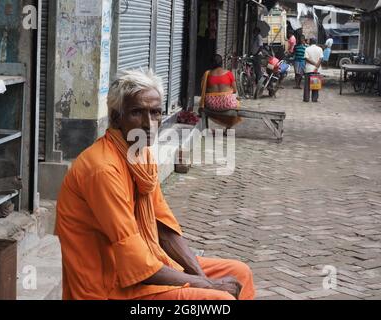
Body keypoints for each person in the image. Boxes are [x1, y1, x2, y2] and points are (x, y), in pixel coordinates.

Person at [55, 69, 256, 300]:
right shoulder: (102, 169)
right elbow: (136, 260)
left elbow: (164, 230)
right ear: (116, 117)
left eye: (155, 113)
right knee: (218, 300)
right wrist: (207, 286)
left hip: (145, 265)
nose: (148, 123)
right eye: (136, 113)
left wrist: (204, 280)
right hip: (109, 287)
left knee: (240, 273)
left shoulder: (142, 156)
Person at [199, 54, 242, 133]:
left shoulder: (207, 74)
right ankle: (228, 128)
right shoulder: (229, 73)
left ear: (211, 63)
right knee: (237, 101)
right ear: (222, 62)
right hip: (227, 104)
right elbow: (235, 90)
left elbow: (203, 89)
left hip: (211, 103)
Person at [303, 38, 323, 103]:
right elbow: (321, 58)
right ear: (316, 42)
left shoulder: (307, 49)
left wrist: (314, 63)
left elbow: (306, 58)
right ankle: (314, 99)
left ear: (310, 42)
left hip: (309, 69)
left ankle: (306, 98)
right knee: (315, 84)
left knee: (307, 85)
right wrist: (317, 65)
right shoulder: (320, 49)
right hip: (317, 69)